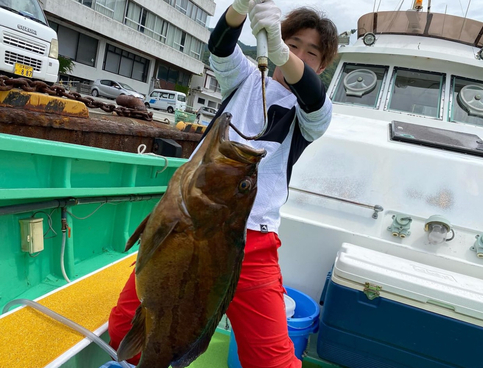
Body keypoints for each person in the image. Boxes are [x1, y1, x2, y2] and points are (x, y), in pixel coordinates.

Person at [107, 1, 338, 367]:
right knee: (123, 330)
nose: (299, 55)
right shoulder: (245, 78)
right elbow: (220, 45)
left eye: (311, 53)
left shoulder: (313, 115)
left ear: (322, 67)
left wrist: (280, 52)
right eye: (292, 44)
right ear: (273, 42)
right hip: (182, 223)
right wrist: (238, 9)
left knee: (274, 361)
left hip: (254, 244)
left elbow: (313, 95)